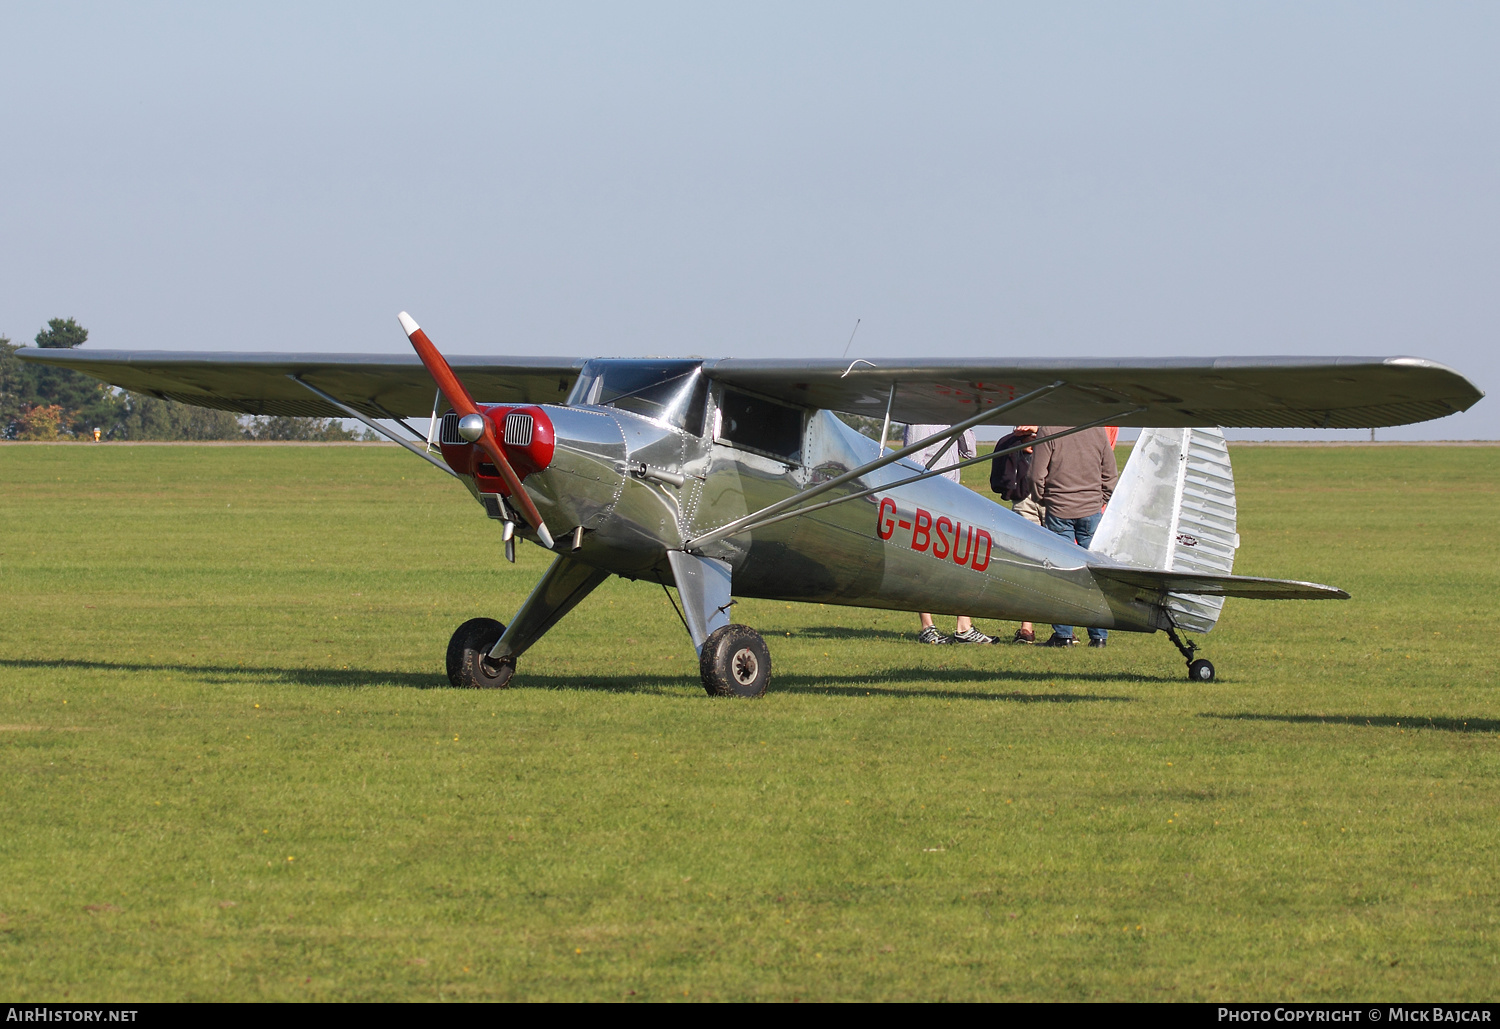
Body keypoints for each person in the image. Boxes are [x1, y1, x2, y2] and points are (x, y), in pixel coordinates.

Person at [1029, 425, 1119, 647]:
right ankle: (1099, 636)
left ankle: (1063, 635)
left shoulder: (1048, 429)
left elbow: (1036, 475)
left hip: (1059, 510)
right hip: (1091, 510)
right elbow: (1110, 473)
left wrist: (1043, 499)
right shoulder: (1097, 430)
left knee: (1062, 575)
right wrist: (1100, 500)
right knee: (1097, 574)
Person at [903, 422, 993, 645]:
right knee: (925, 566)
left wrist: (963, 423)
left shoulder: (952, 420)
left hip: (954, 500)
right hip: (929, 501)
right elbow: (914, 464)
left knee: (961, 562)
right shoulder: (920, 421)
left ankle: (964, 627)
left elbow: (970, 452)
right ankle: (928, 627)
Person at [991, 425, 1044, 643]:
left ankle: (1063, 631)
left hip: (1055, 499)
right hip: (1024, 500)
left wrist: (1038, 434)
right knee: (1028, 562)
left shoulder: (1054, 435)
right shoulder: (1008, 442)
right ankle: (1026, 627)